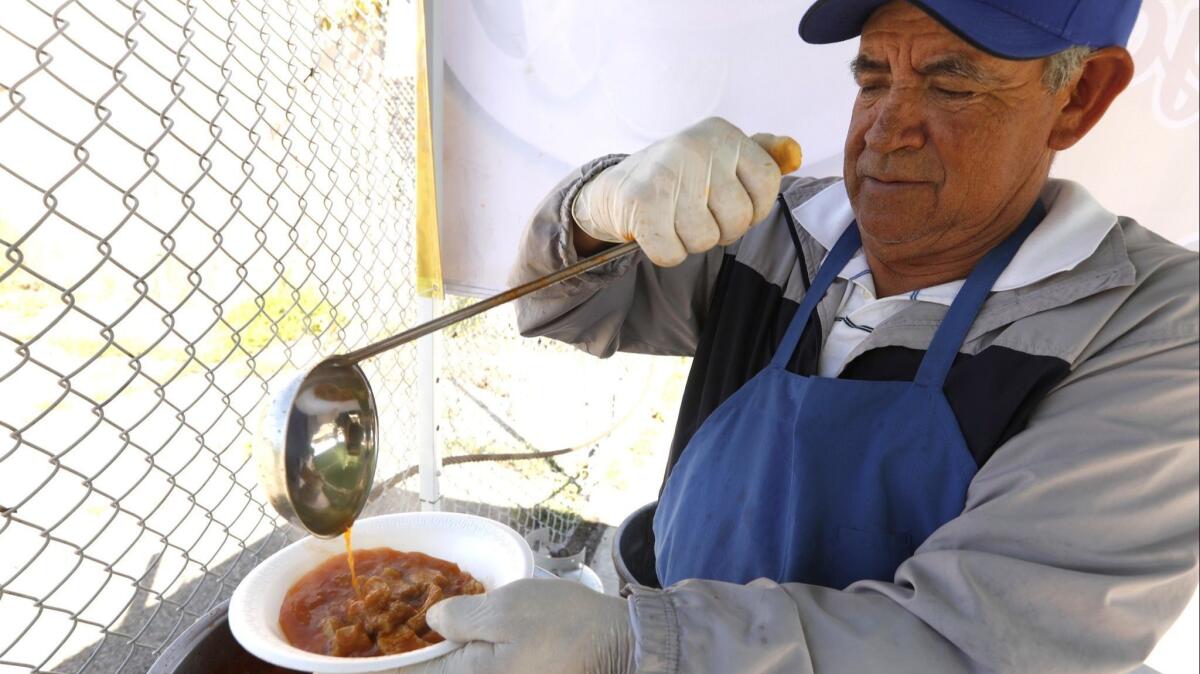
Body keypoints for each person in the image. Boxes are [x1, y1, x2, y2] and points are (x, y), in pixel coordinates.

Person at [397, 1, 1199, 672]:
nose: (887, 131)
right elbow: (566, 307)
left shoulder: (1148, 328)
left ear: (1081, 94)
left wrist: (633, 646)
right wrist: (596, 204)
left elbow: (980, 647)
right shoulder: (780, 227)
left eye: (951, 81)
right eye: (872, 76)